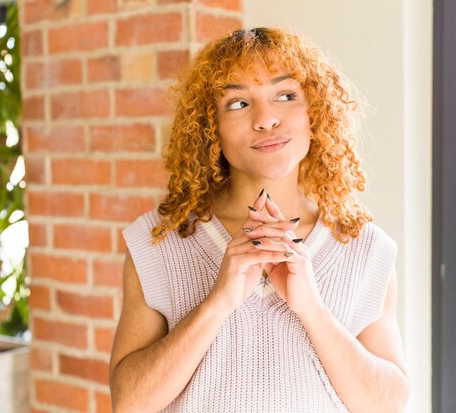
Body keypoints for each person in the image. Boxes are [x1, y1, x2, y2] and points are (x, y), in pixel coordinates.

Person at [109, 27, 409, 412]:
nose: (266, 120)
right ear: (210, 128)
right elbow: (129, 403)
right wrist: (218, 301)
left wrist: (312, 310)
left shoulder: (366, 249)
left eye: (285, 95)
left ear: (314, 112)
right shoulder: (158, 243)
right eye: (237, 103)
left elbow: (388, 405)